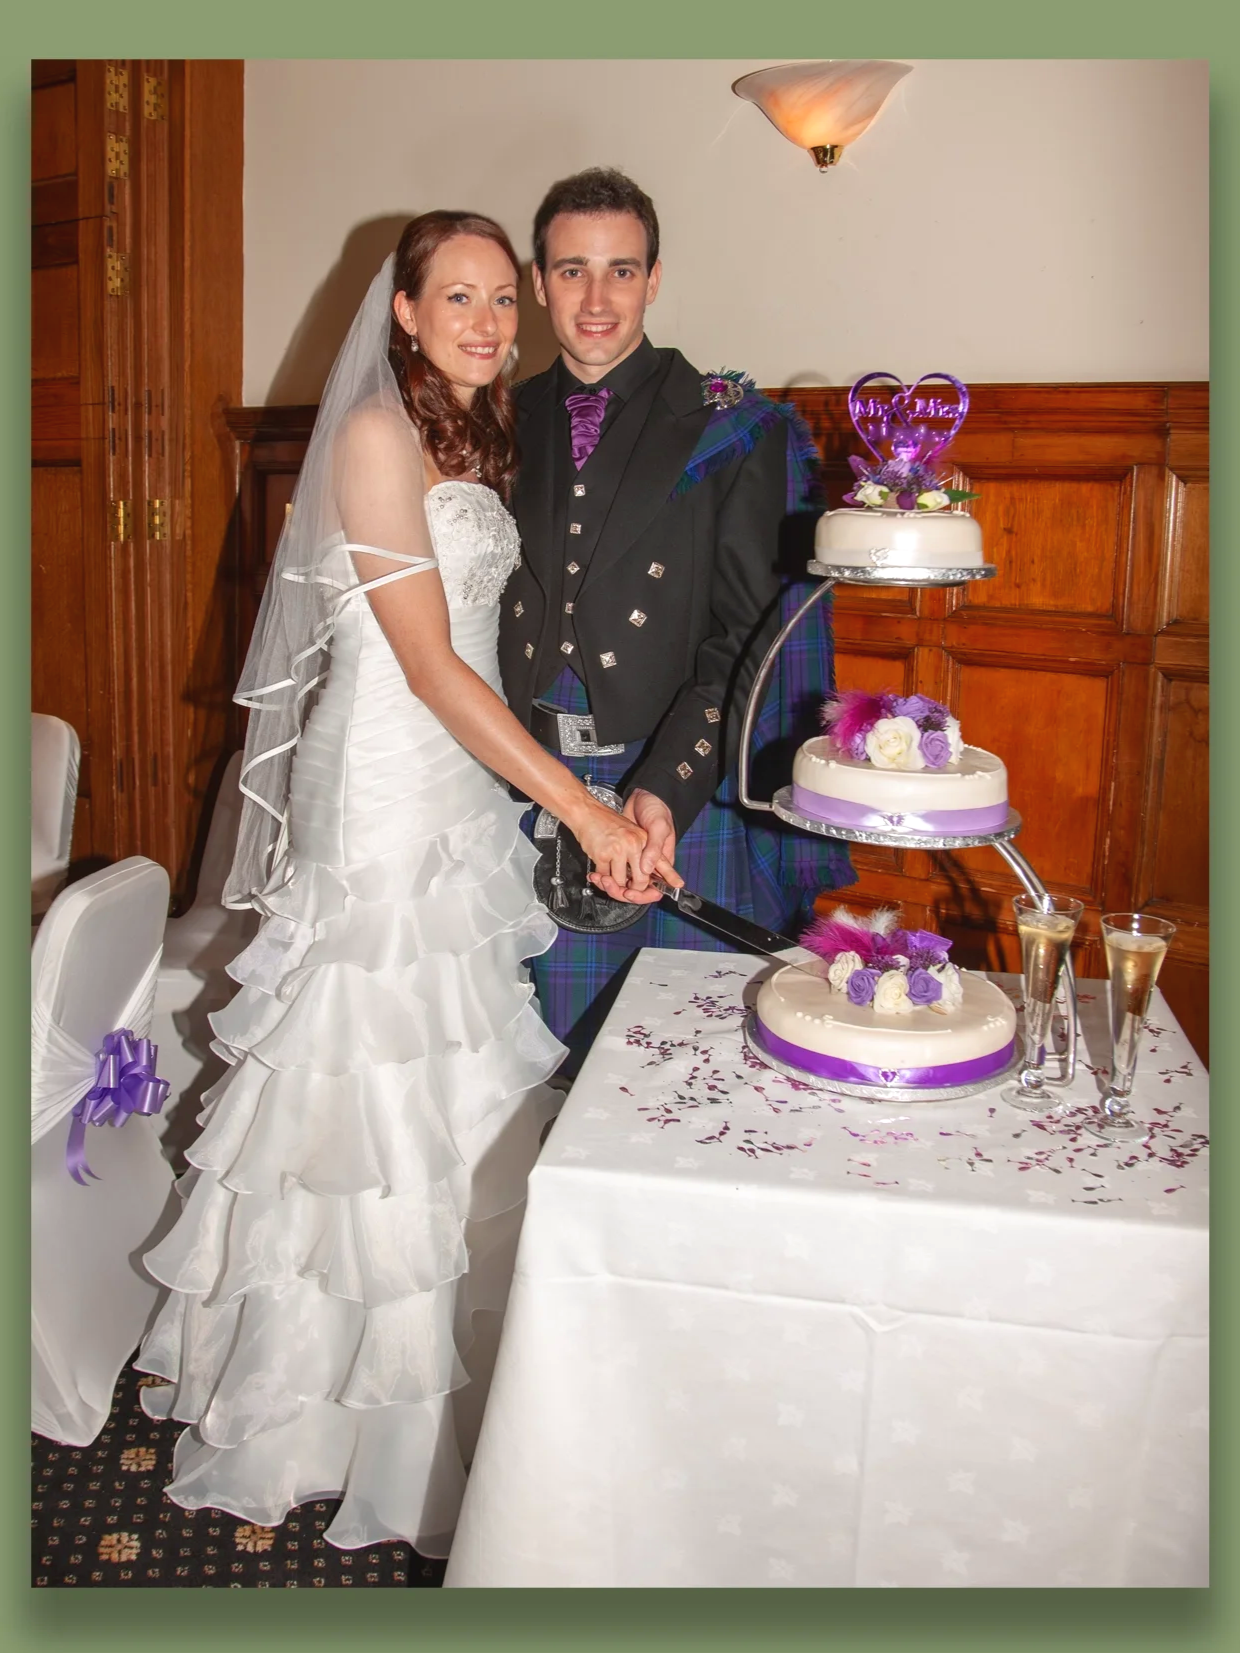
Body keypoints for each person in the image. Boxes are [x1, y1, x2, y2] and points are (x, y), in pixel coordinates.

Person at [133, 211, 675, 1555]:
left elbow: (479, 663)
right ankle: (316, 1417)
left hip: (451, 783)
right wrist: (584, 807)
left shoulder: (471, 435)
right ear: (406, 315)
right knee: (362, 1090)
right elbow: (431, 670)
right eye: (463, 299)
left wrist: (552, 789)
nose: (494, 322)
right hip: (379, 786)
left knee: (448, 1084)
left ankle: (433, 1403)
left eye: (505, 298)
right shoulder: (378, 439)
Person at [499, 168, 853, 1067]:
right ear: (538, 283)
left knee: (676, 1072)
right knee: (536, 1069)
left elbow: (746, 642)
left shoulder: (732, 429)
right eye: (571, 270)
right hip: (517, 797)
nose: (596, 298)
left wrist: (666, 785)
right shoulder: (493, 415)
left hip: (672, 795)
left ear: (655, 279)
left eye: (622, 270)